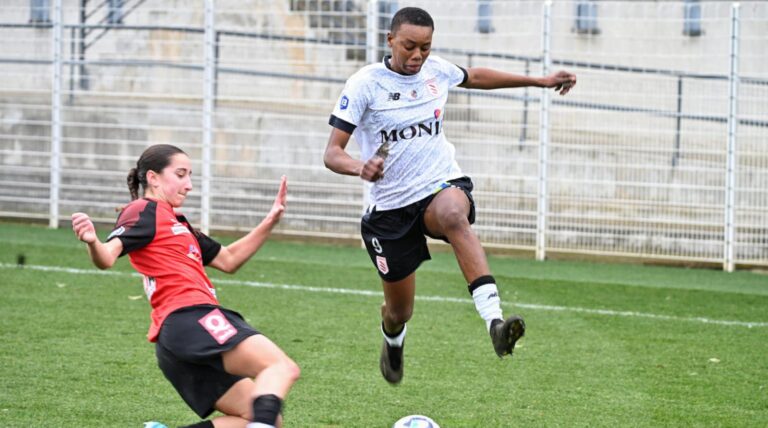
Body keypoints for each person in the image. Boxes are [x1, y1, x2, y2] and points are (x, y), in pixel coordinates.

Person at [323, 7, 576, 384]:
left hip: (438, 184)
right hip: (390, 209)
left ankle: (494, 321)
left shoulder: (435, 70)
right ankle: (393, 340)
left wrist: (539, 80)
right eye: (409, 46)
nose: (417, 56)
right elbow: (332, 153)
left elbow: (475, 76)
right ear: (390, 40)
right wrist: (360, 166)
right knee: (399, 311)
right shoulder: (364, 85)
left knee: (455, 216)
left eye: (425, 47)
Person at [71, 144, 299, 428]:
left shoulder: (180, 224)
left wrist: (271, 220)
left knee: (264, 416)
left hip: (178, 340)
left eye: (190, 175)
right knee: (280, 367)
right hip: (190, 319)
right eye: (180, 174)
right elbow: (107, 256)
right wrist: (93, 241)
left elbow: (229, 260)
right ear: (153, 178)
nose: (189, 185)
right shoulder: (143, 210)